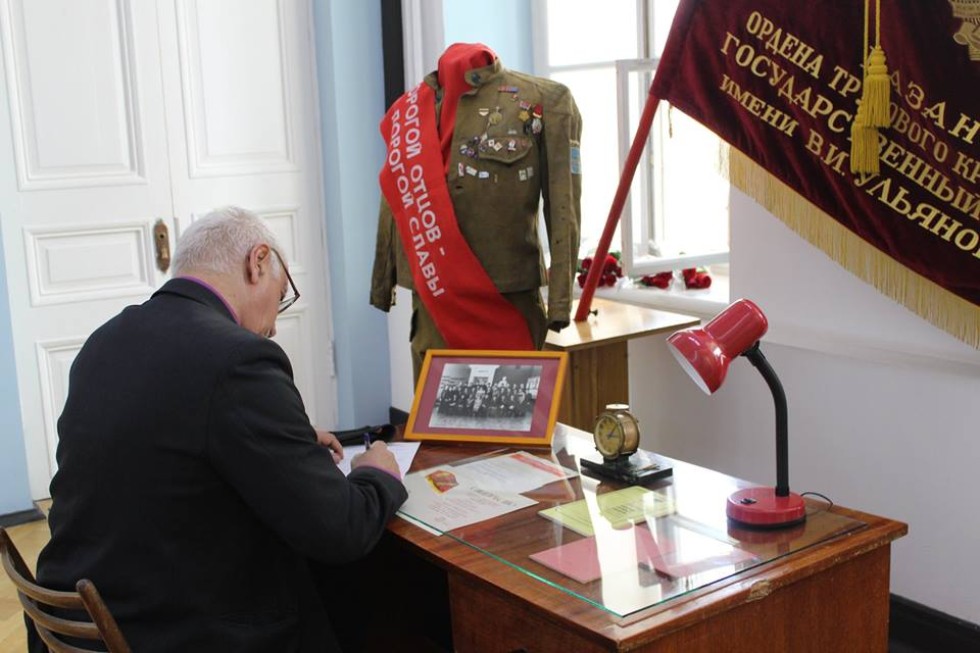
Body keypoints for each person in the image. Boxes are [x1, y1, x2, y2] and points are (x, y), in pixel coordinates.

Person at [31, 206, 407, 652]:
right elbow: (340, 529)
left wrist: (286, 444)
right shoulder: (238, 359)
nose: (272, 325)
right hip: (176, 635)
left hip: (84, 621)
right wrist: (378, 471)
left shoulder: (106, 339)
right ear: (258, 261)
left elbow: (160, 446)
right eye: (281, 295)